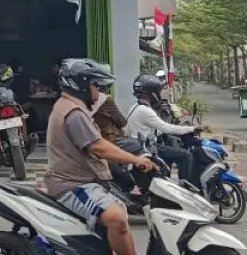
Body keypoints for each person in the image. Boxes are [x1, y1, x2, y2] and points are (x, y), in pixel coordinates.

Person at [45, 58, 155, 255]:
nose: (99, 91)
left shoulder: (73, 107)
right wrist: (136, 159)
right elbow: (99, 147)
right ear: (81, 85)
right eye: (96, 85)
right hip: (72, 185)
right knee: (117, 219)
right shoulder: (74, 112)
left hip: (84, 181)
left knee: (120, 211)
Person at [125, 74, 198, 185]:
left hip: (140, 144)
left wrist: (174, 130)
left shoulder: (136, 106)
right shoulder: (144, 110)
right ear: (153, 92)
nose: (159, 95)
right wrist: (190, 129)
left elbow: (156, 129)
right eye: (158, 91)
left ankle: (169, 181)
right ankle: (184, 188)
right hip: (146, 148)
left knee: (170, 149)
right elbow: (166, 127)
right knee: (185, 156)